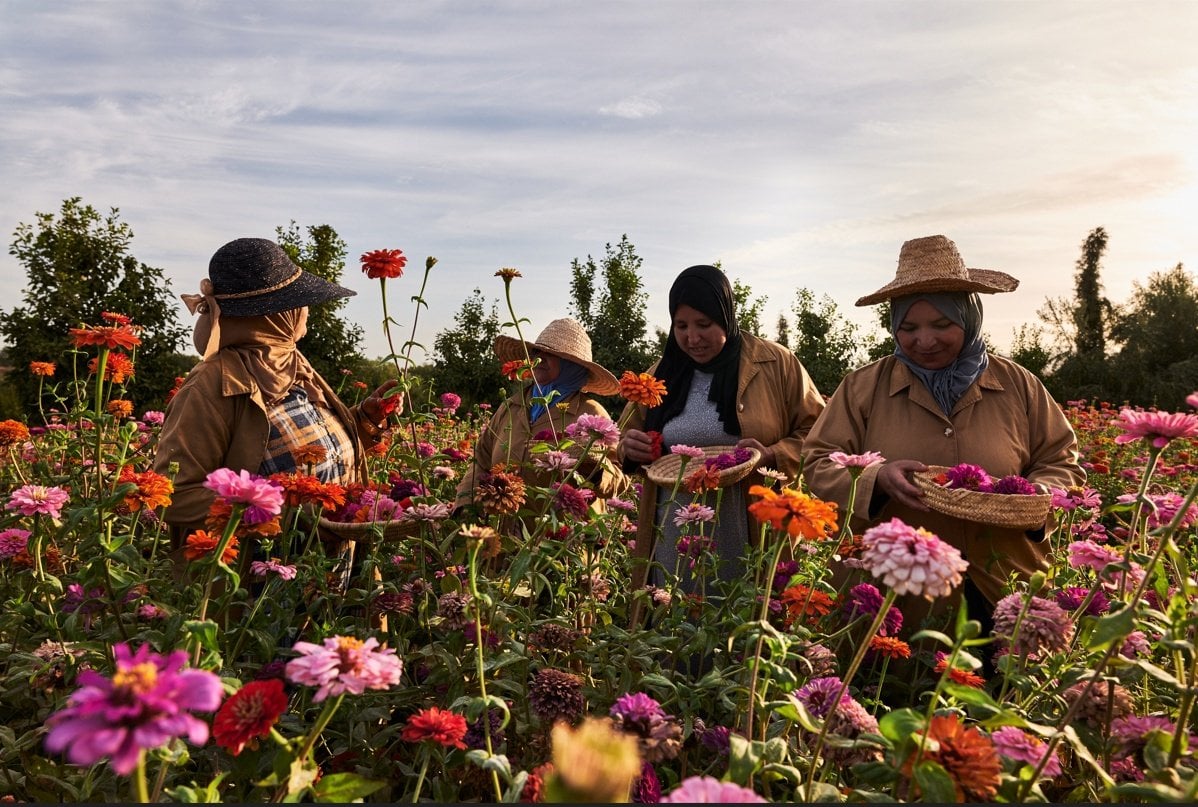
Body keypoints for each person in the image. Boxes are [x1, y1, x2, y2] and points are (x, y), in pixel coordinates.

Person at [801, 234, 1085, 630]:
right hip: (898, 591)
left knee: (1005, 683)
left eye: (942, 324)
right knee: (901, 686)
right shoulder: (862, 387)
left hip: (1004, 579)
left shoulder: (1018, 384)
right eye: (909, 327)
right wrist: (876, 478)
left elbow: (1060, 460)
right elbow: (817, 461)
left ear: (969, 320)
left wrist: (1037, 498)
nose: (925, 340)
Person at [153, 237, 402, 552]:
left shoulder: (294, 364)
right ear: (275, 314)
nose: (306, 312)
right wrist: (284, 514)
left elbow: (307, 450)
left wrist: (366, 418)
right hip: (258, 586)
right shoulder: (209, 385)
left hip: (326, 577)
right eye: (299, 303)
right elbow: (174, 495)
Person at [619, 264, 826, 602]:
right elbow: (624, 436)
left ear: (727, 316)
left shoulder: (776, 363)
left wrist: (774, 453)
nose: (692, 337)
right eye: (681, 326)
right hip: (674, 527)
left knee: (744, 614)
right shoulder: (661, 372)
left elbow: (820, 434)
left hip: (747, 522)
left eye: (705, 324)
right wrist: (629, 448)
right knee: (676, 625)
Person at [455, 318, 627, 514]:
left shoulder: (590, 414)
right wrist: (465, 505)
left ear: (572, 365)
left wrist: (595, 470)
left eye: (552, 354)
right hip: (503, 531)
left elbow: (619, 479)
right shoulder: (511, 407)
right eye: (537, 352)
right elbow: (481, 460)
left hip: (561, 537)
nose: (540, 358)